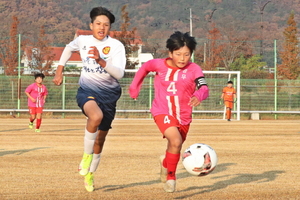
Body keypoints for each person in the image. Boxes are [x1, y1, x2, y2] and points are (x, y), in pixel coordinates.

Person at [52, 6, 126, 192]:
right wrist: (59, 70)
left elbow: (119, 74)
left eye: (106, 25)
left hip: (109, 96)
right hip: (87, 90)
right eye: (98, 24)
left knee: (100, 141)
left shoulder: (116, 46)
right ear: (91, 25)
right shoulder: (83, 40)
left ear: (110, 28)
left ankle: (91, 174)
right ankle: (86, 157)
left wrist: (101, 60)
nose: (102, 28)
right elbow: (69, 49)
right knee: (95, 116)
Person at [129, 31, 209, 193]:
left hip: (184, 117)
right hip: (162, 111)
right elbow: (145, 68)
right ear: (170, 53)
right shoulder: (159, 65)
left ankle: (166, 163)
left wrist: (199, 95)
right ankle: (171, 178)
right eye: (178, 54)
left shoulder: (194, 69)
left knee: (175, 146)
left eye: (186, 54)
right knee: (176, 141)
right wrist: (134, 86)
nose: (182, 58)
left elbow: (204, 87)